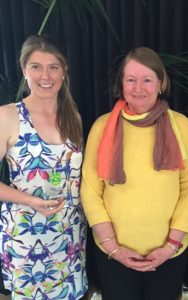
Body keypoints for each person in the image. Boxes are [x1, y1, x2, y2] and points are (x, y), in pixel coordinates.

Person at [80, 47, 188, 300]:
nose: (138, 88)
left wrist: (171, 246)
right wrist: (113, 248)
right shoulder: (102, 126)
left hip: (170, 253)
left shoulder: (181, 125)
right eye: (131, 79)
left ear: (161, 83)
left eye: (147, 80)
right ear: (121, 84)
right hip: (114, 254)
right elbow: (90, 190)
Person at [0, 35, 88, 299]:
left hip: (70, 235)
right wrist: (30, 200)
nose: (45, 75)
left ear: (64, 71)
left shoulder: (74, 117)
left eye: (53, 67)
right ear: (24, 70)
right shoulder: (8, 116)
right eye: (36, 66)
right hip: (26, 238)